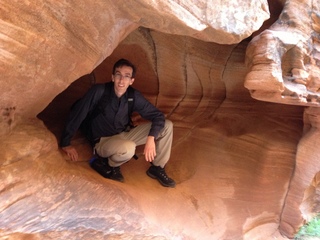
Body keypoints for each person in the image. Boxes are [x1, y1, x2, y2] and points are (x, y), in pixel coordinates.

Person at [60, 58, 176, 188]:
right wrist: (66, 142)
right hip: (103, 141)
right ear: (112, 77)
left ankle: (157, 168)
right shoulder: (99, 91)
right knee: (129, 148)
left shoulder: (133, 96)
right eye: (118, 75)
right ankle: (111, 165)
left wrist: (151, 138)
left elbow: (158, 116)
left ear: (131, 81)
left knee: (167, 125)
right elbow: (78, 113)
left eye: (127, 76)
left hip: (124, 134)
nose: (122, 80)